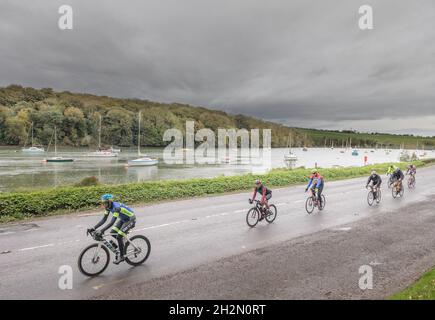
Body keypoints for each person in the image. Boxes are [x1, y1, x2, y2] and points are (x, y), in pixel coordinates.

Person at [88, 194, 136, 264]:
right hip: (123, 219)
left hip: (130, 219)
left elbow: (111, 222)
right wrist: (93, 228)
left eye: (105, 203)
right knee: (112, 232)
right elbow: (104, 219)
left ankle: (122, 256)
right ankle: (121, 248)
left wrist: (102, 231)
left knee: (119, 236)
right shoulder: (108, 207)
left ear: (110, 202)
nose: (104, 205)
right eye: (103, 203)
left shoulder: (116, 208)